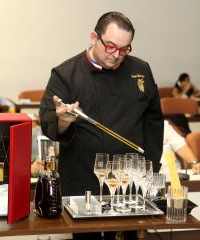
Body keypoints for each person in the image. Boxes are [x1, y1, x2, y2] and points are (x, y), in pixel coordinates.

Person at [40, 12, 164, 240]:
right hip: (84, 181)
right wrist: (63, 122)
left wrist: (151, 167)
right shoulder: (66, 73)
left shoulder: (141, 70)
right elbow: (48, 123)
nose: (116, 55)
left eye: (125, 49)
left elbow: (153, 121)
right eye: (110, 46)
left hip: (129, 184)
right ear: (93, 37)